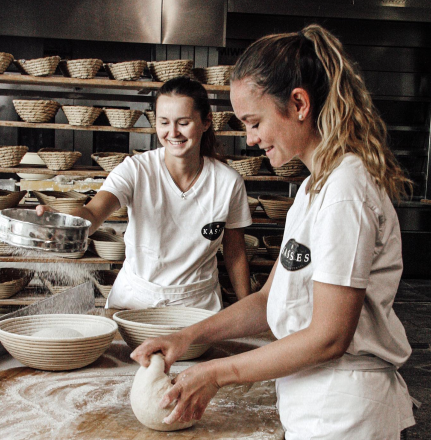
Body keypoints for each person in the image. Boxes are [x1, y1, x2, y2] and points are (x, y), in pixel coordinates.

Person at [131, 24, 416, 439]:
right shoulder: (312, 188)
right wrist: (187, 336)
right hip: (314, 404)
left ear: (299, 103)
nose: (250, 139)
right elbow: (270, 300)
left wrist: (217, 373)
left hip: (346, 414)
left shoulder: (346, 191)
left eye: (254, 121)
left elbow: (329, 336)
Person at [37, 76, 252, 311]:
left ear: (206, 121)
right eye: (164, 122)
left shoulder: (228, 182)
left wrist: (247, 308)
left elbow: (235, 252)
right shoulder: (136, 169)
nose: (173, 132)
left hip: (196, 305)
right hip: (134, 301)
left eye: (183, 122)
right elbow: (94, 211)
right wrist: (64, 224)